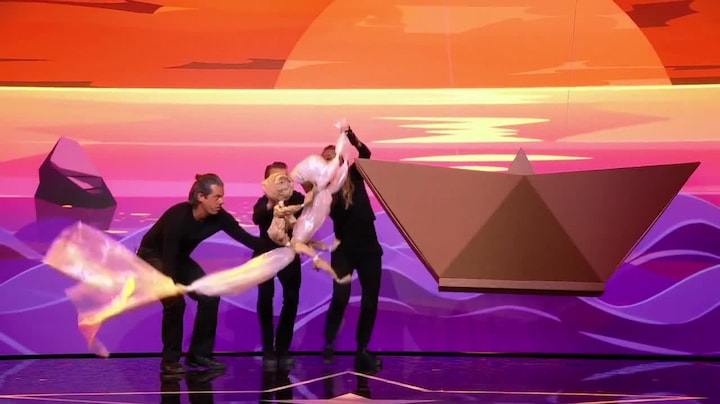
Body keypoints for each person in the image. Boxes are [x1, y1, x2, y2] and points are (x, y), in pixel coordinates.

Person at [137, 173, 260, 375]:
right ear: (201, 197)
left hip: (177, 257)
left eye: (222, 197)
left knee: (210, 295)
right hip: (152, 256)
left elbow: (248, 239)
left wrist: (282, 248)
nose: (221, 201)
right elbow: (169, 255)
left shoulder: (220, 217)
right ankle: (170, 360)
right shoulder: (178, 216)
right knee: (175, 303)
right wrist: (172, 285)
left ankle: (199, 355)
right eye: (217, 197)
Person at [321, 126, 383, 371]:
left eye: (334, 156)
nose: (331, 162)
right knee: (340, 297)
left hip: (368, 248)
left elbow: (366, 154)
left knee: (370, 301)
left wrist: (352, 138)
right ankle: (329, 342)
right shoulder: (326, 189)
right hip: (344, 250)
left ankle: (362, 350)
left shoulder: (355, 174)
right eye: (326, 160)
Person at [252, 162, 305, 371]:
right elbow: (257, 217)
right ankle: (268, 349)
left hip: (289, 255)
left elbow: (308, 211)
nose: (279, 182)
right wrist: (272, 201)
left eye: (283, 177)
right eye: (274, 178)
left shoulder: (297, 198)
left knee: (291, 299)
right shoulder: (263, 202)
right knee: (266, 299)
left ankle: (283, 349)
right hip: (266, 255)